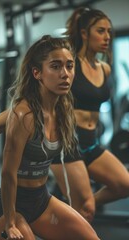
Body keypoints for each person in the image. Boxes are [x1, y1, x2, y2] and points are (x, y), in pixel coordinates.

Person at [0, 35, 100, 240]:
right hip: (10, 207)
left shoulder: (62, 111)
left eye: (69, 66)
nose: (65, 74)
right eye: (56, 67)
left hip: (41, 200)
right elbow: (7, 174)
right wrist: (10, 223)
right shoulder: (23, 115)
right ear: (37, 73)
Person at [51, 6, 129, 222]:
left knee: (124, 185)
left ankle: (73, 207)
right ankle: (73, 209)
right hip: (67, 144)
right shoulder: (70, 65)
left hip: (91, 142)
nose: (107, 37)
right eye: (100, 31)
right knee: (84, 215)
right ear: (84, 33)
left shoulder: (104, 68)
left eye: (109, 32)